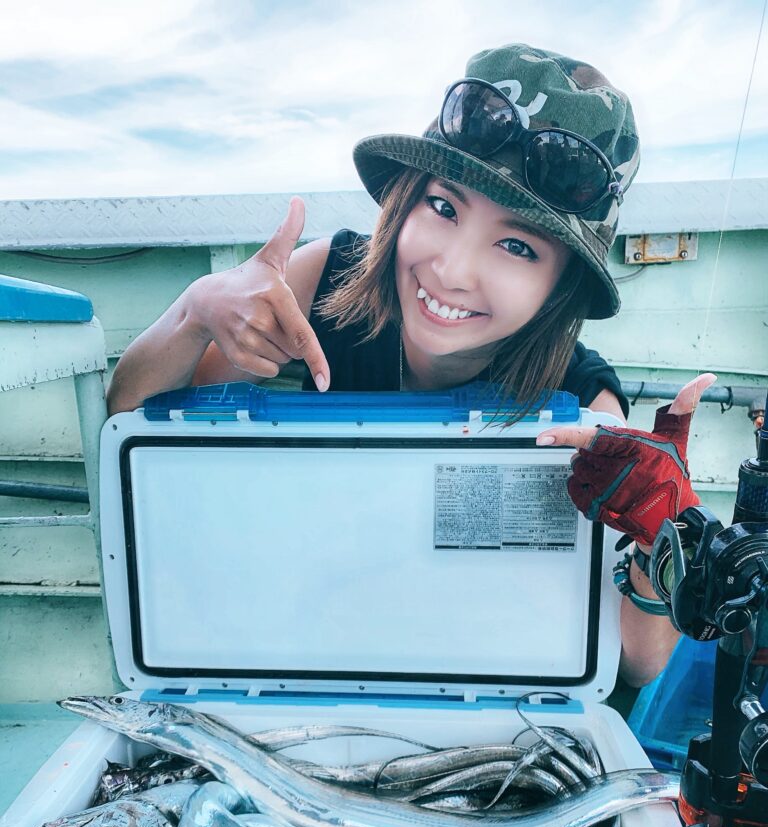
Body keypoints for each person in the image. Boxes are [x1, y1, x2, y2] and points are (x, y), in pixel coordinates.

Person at [107, 43, 712, 686]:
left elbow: (637, 663)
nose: (451, 270)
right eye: (444, 208)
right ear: (405, 200)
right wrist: (197, 311)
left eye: (516, 246)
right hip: (301, 647)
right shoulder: (326, 280)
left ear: (561, 286)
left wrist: (659, 531)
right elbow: (138, 414)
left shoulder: (583, 403)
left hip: (470, 673)